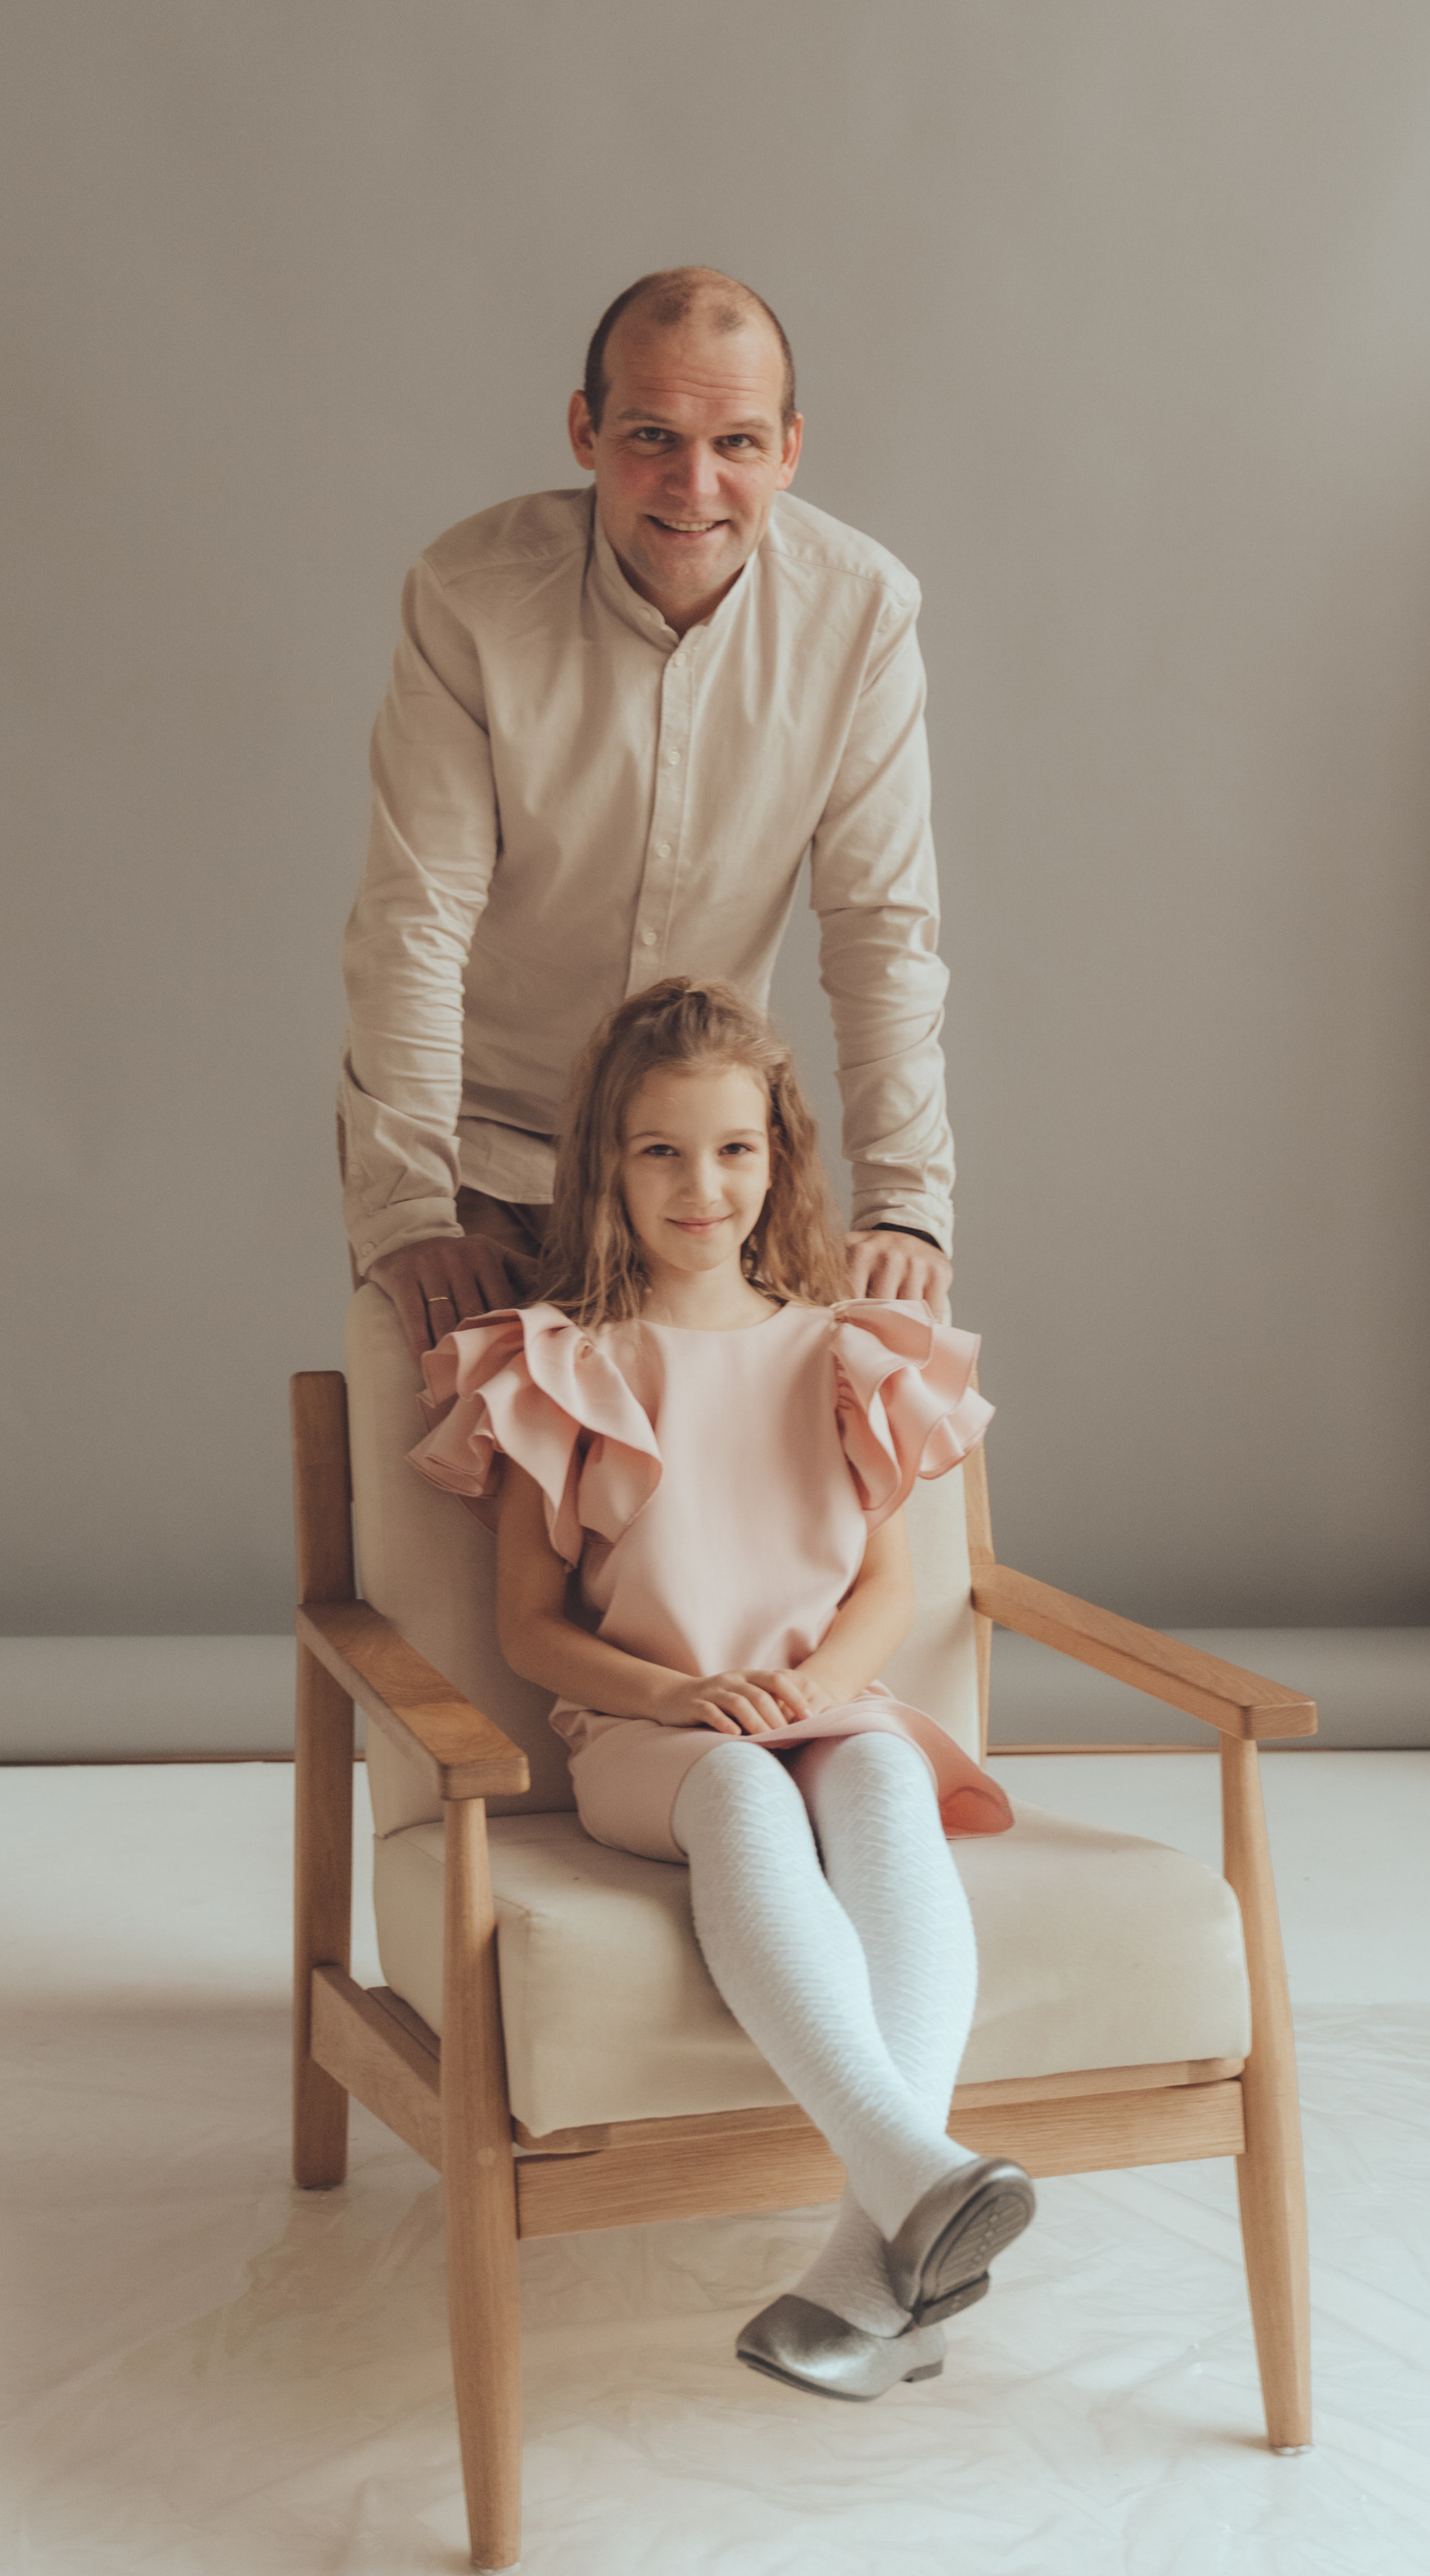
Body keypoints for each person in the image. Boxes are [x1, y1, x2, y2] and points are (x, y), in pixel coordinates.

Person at [411, 977, 1035, 2403]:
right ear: (606, 1166)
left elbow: (885, 1589)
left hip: (823, 1703)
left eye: (736, 1150)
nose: (705, 1186)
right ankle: (910, 2184)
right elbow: (527, 1629)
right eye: (663, 1152)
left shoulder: (843, 1352)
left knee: (880, 1771)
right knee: (748, 1793)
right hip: (652, 1733)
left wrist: (817, 1685)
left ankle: (886, 2244)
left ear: (780, 1156)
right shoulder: (559, 1362)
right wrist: (681, 1697)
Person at [339, 266, 957, 1365]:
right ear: (583, 431)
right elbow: (413, 923)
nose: (695, 484)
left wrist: (907, 1208)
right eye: (650, 436)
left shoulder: (862, 610)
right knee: (491, 1499)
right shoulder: (470, 596)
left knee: (768, 1491)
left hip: (714, 1171)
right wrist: (411, 1217)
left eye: (738, 444)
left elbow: (881, 927)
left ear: (790, 449)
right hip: (491, 1155)